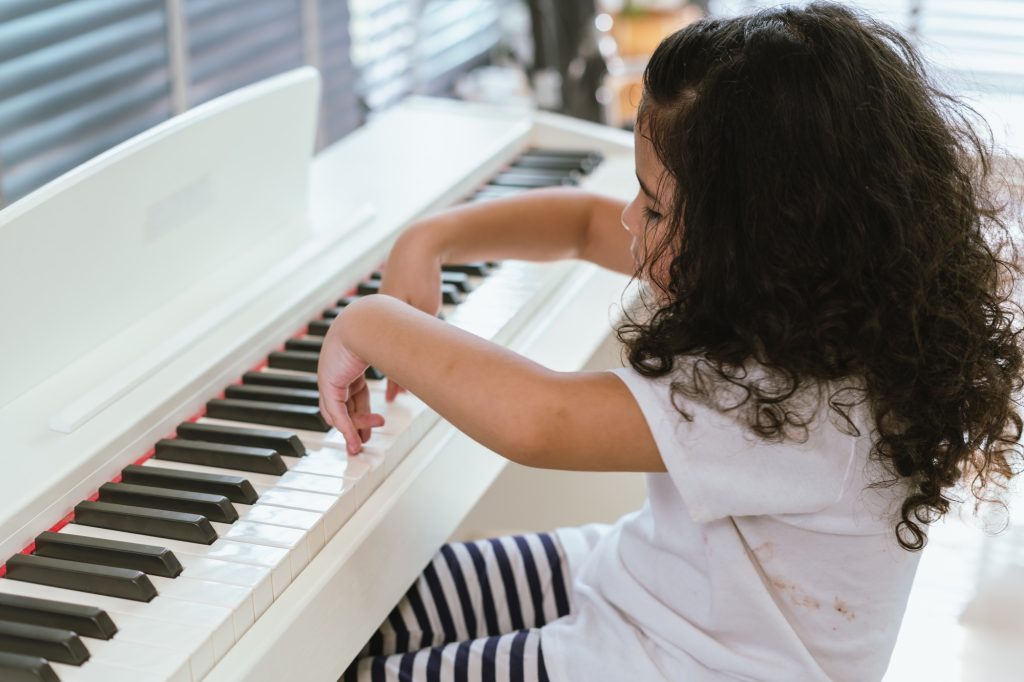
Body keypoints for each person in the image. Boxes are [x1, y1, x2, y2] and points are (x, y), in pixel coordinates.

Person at [318, 3, 1024, 680]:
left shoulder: (799, 406)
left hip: (680, 664)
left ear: (759, 237)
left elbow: (540, 420)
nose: (630, 220)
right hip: (654, 589)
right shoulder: (833, 308)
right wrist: (434, 236)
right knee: (356, 618)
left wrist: (369, 320)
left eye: (655, 208)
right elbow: (586, 225)